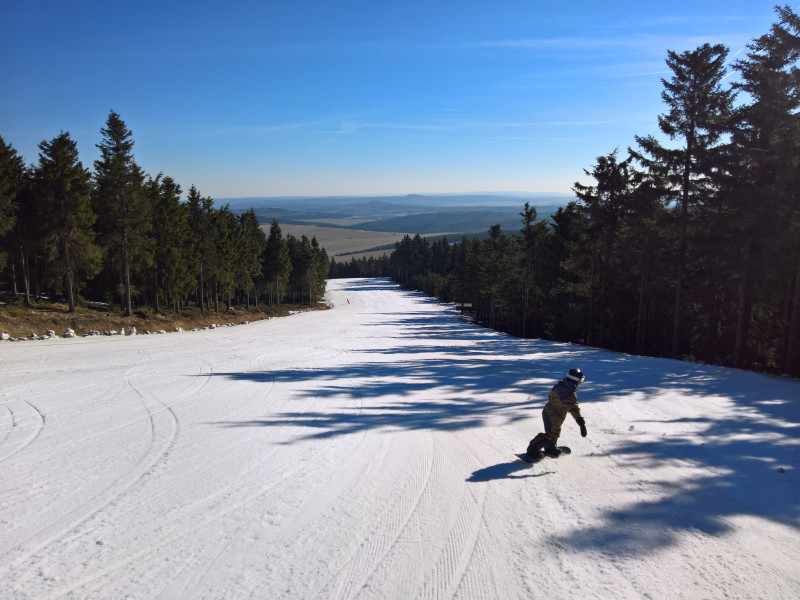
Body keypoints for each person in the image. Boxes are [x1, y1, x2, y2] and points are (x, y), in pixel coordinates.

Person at [526, 368, 588, 458]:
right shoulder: (570, 395)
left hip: (550, 412)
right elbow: (574, 409)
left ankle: (550, 447)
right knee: (551, 434)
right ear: (576, 381)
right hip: (553, 415)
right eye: (581, 381)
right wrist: (581, 423)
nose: (580, 383)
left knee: (555, 431)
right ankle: (532, 450)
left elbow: (551, 397)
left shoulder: (560, 385)